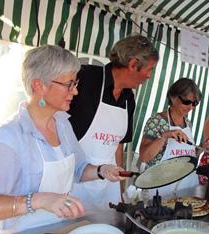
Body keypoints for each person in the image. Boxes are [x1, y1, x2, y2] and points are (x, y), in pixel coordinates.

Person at [0, 45, 124, 234]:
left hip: (60, 230)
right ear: (39, 85)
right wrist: (38, 200)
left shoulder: (63, 125)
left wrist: (101, 170)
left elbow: (79, 169)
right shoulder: (10, 136)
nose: (75, 92)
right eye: (69, 84)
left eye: (76, 83)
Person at [67, 35, 159, 218]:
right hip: (73, 185)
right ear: (133, 64)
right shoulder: (85, 78)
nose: (149, 76)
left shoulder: (128, 99)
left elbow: (118, 145)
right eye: (150, 69)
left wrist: (120, 191)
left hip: (107, 186)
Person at [139, 78, 209, 198]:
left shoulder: (188, 123)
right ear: (173, 97)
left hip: (187, 187)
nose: (190, 107)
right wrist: (164, 136)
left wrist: (203, 146)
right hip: (161, 189)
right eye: (186, 102)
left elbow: (190, 156)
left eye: (194, 103)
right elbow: (144, 156)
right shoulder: (156, 121)